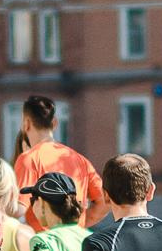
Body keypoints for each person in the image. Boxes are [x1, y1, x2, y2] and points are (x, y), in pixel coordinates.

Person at [12, 96, 106, 231]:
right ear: (55, 123)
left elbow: (18, 209)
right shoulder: (80, 159)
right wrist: (81, 223)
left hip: (43, 245)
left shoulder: (28, 159)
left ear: (26, 124)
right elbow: (103, 201)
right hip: (76, 242)